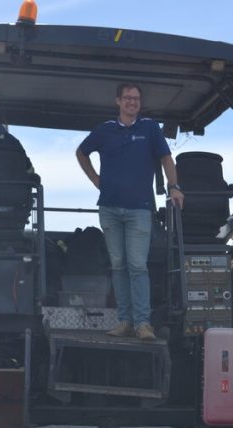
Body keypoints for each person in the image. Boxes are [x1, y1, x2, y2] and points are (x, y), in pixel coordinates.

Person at [75, 83, 185, 342]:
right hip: (109, 208)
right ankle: (124, 321)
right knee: (118, 265)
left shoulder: (149, 128)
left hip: (140, 209)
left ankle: (143, 324)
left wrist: (174, 187)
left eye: (136, 98)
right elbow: (81, 152)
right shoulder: (105, 130)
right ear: (118, 101)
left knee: (137, 265)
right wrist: (95, 179)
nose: (132, 102)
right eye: (127, 98)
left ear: (139, 103)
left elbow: (167, 159)